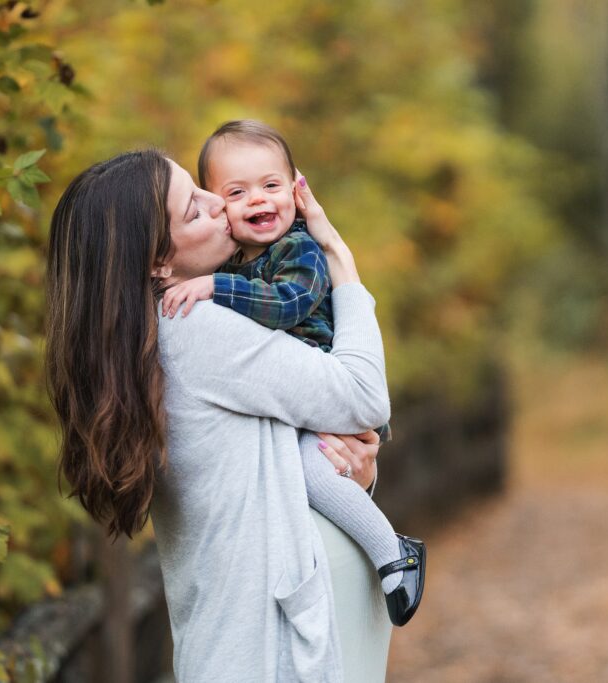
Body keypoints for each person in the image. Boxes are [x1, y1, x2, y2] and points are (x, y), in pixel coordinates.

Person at [44, 149, 414, 681]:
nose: (219, 203)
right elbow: (364, 395)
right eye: (194, 209)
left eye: (199, 189)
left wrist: (354, 469)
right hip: (272, 654)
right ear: (157, 264)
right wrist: (341, 263)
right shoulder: (193, 330)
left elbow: (263, 483)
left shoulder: (158, 342)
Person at [160, 120, 425, 626]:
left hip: (324, 388)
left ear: (296, 192)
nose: (257, 199)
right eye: (233, 192)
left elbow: (289, 303)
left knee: (311, 468)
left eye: (271, 185)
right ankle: (393, 553)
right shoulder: (220, 286)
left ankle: (395, 555)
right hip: (308, 408)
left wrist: (217, 286)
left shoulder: (296, 250)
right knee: (308, 470)